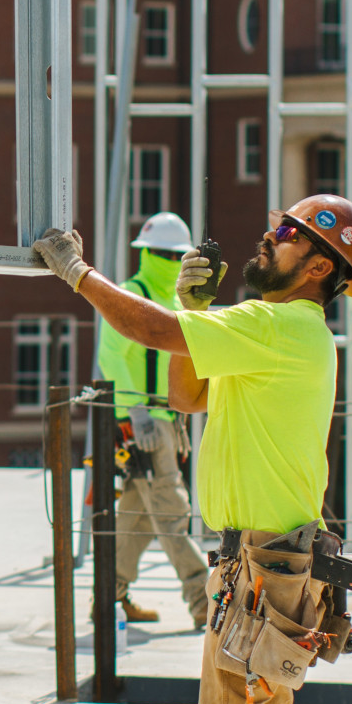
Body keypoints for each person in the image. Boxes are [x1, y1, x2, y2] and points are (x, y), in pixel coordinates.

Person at [32, 193, 352, 704]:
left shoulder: (282, 324)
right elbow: (187, 393)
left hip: (271, 562)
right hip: (252, 562)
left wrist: (80, 274)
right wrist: (198, 311)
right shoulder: (273, 332)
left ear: (318, 265)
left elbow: (149, 330)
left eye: (286, 233)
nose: (269, 235)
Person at [93, 212, 212, 630]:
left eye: (172, 254)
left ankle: (109, 596)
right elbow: (111, 358)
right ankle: (203, 601)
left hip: (159, 421)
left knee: (138, 519)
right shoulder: (132, 294)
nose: (166, 259)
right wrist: (137, 415)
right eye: (162, 253)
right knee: (171, 513)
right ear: (146, 254)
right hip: (141, 425)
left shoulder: (177, 303)